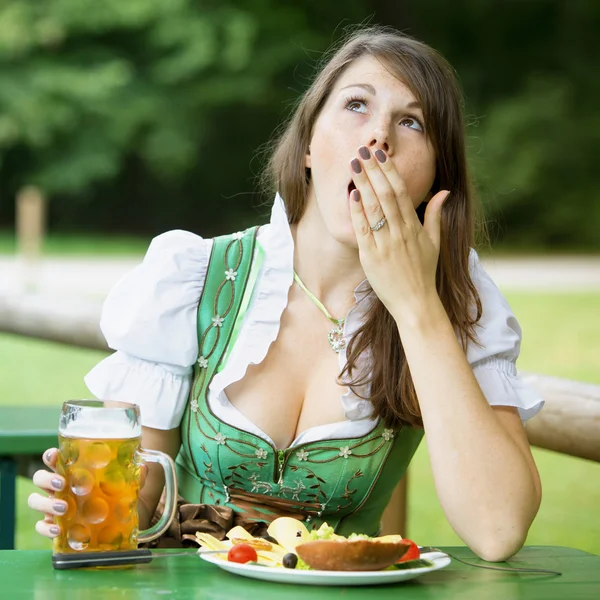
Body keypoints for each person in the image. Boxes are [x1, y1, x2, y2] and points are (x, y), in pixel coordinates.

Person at [28, 26, 543, 562]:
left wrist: (417, 307)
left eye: (411, 122)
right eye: (356, 105)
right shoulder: (194, 276)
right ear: (308, 149)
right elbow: (137, 505)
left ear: (437, 175)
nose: (379, 139)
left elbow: (498, 530)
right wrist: (86, 506)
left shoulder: (457, 297)